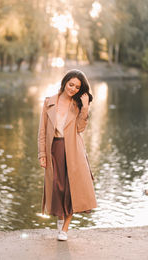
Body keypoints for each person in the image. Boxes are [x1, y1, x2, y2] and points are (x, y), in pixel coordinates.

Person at [38, 69, 97, 241]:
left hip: (73, 150)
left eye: (77, 87)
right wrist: (42, 153)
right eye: (71, 84)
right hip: (54, 148)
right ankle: (60, 216)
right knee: (57, 187)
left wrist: (85, 107)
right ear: (64, 82)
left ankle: (64, 229)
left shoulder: (78, 104)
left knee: (71, 189)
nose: (73, 89)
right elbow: (42, 131)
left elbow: (80, 129)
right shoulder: (49, 102)